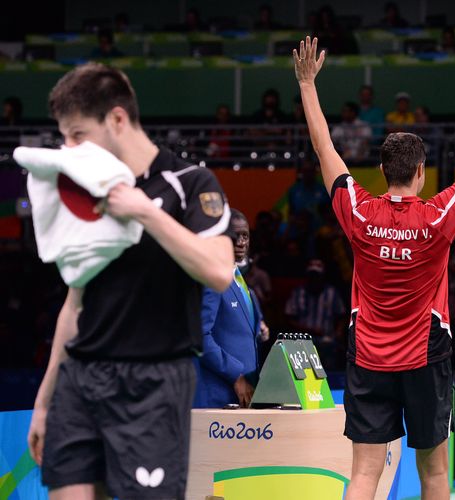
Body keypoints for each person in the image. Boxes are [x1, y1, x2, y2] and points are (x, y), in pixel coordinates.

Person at [294, 34, 455, 499]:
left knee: (364, 472)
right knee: (435, 472)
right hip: (427, 356)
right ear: (421, 173)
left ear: (382, 172)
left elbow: (325, 151)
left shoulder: (359, 214)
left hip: (368, 356)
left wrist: (307, 84)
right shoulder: (438, 218)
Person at [26, 63, 235, 499]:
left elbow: (218, 271)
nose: (69, 148)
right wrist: (44, 401)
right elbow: (74, 304)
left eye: (78, 134)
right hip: (82, 379)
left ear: (117, 120)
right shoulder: (88, 193)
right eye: (63, 136)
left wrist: (144, 212)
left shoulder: (189, 184)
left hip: (153, 384)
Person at [194, 209, 269, 408]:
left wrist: (258, 329)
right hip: (217, 397)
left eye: (245, 235)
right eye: (234, 235)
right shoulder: (211, 278)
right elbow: (200, 337)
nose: (241, 242)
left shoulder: (238, 279)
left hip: (241, 396)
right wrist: (237, 376)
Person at [285, 258, 346, 369]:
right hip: (303, 341)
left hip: (327, 341)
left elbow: (341, 315)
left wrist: (338, 332)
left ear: (322, 276)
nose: (314, 279)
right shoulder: (298, 293)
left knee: (328, 373)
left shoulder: (331, 293)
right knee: (304, 374)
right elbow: (289, 318)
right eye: (311, 275)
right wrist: (309, 330)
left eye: (317, 275)